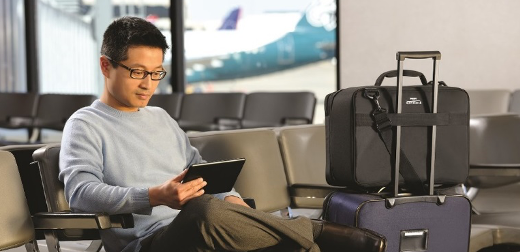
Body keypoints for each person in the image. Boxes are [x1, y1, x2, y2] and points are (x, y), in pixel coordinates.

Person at [59, 16, 383, 252]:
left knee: (264, 231)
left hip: (206, 231)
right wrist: (155, 196)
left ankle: (306, 238)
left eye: (157, 73)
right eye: (138, 72)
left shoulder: (160, 118)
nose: (149, 84)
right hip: (150, 242)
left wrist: (232, 201)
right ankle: (313, 231)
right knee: (205, 211)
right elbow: (80, 193)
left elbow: (203, 176)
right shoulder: (85, 124)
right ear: (106, 66)